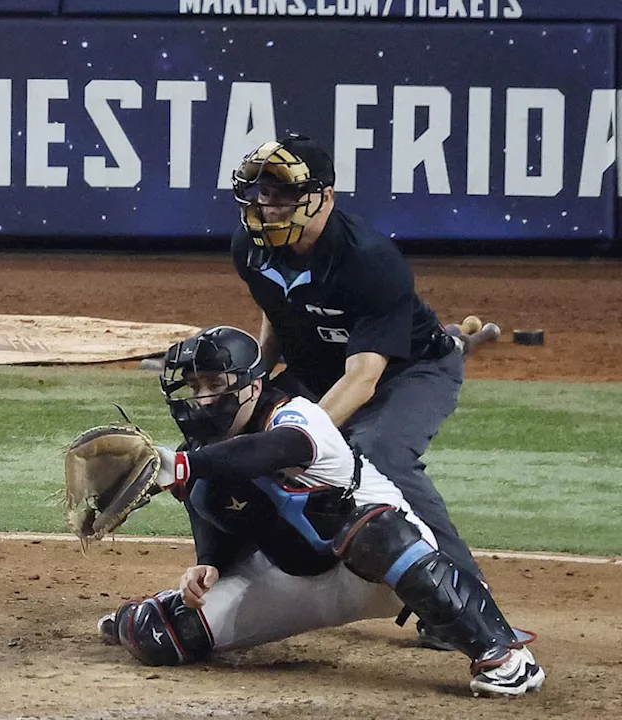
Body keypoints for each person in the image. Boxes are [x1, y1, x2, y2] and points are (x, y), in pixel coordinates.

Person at [96, 326, 545, 697]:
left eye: (215, 384)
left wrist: (183, 465)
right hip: (292, 583)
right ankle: (160, 617)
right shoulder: (197, 456)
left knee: (373, 529)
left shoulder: (296, 416)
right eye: (195, 387)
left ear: (253, 386)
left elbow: (270, 452)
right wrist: (209, 563)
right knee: (158, 635)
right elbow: (211, 508)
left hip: (382, 570)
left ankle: (504, 656)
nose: (201, 398)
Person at [226, 134, 481, 649]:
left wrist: (299, 439)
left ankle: (463, 603)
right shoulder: (251, 246)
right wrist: (256, 390)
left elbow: (363, 380)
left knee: (379, 452)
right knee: (238, 435)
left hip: (408, 373)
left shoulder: (369, 261)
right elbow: (277, 317)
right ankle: (237, 572)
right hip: (321, 370)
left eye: (282, 194)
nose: (267, 205)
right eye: (261, 193)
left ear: (325, 195)